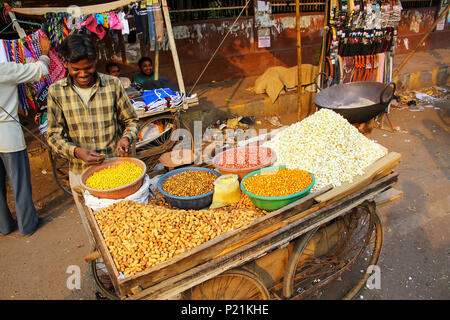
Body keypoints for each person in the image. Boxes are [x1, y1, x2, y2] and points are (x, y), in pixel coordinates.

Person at [46, 34, 139, 244]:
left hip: (118, 170)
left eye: (87, 68)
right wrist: (76, 151)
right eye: (75, 69)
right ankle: (104, 269)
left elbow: (132, 121)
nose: (82, 74)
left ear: (95, 61)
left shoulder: (112, 85)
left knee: (126, 227)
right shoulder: (57, 92)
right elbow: (53, 135)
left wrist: (125, 139)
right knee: (96, 229)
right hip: (81, 174)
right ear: (64, 63)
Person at [0, 35, 51, 236]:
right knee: (19, 183)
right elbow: (40, 70)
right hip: (8, 135)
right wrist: (45, 53)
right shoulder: (4, 69)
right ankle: (27, 226)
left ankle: (4, 226)